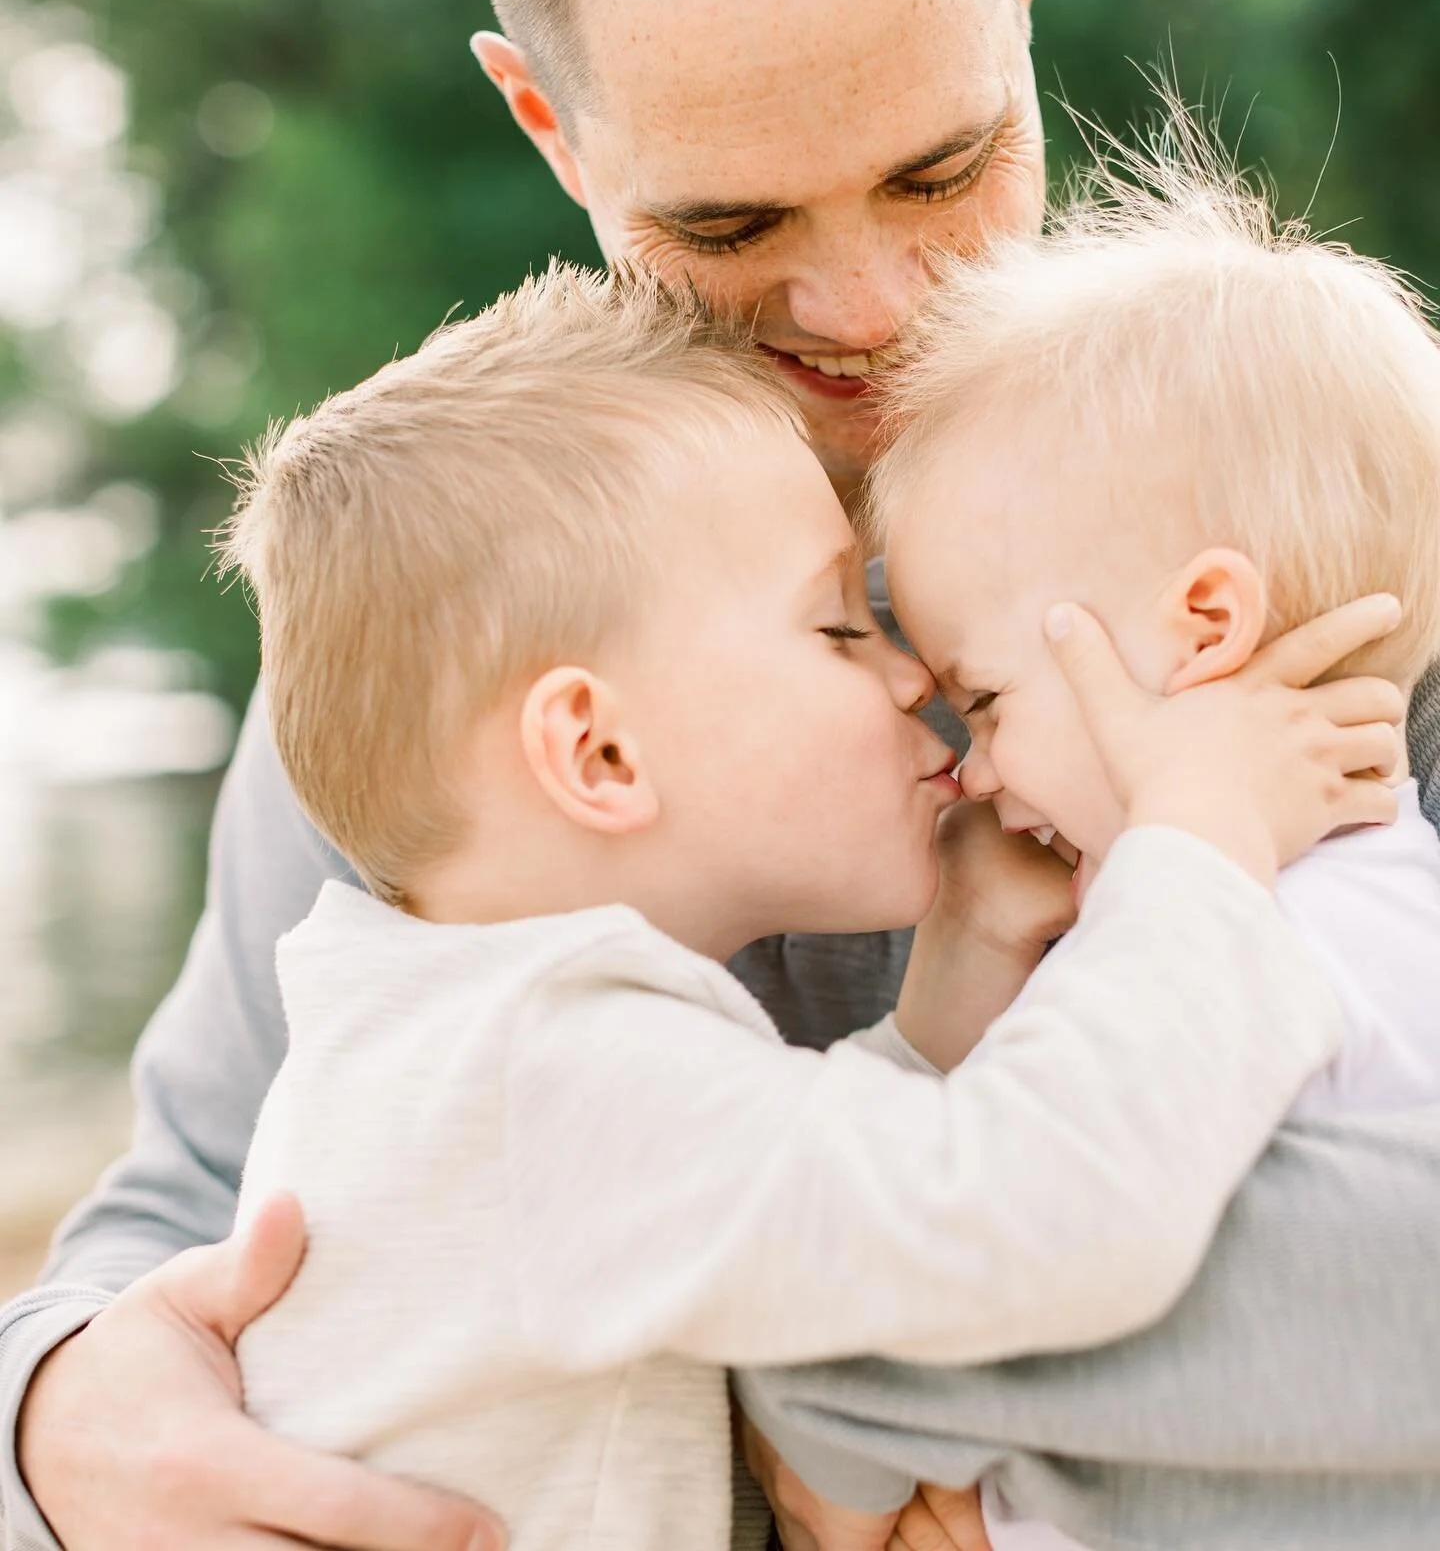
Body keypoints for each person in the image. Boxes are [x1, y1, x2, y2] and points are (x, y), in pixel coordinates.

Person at [2, 0, 1436, 1549]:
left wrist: (819, 1389)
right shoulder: (453, 637)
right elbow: (197, 1216)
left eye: (943, 167)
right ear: (549, 125)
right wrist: (58, 1413)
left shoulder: (1319, 503)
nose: (871, 305)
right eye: (729, 227)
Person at [216, 261, 1372, 1551]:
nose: (914, 677)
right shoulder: (548, 1074)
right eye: (837, 628)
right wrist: (1197, 838)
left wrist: (961, 957)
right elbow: (1035, 1227)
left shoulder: (460, 1036)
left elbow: (820, 1177)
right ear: (600, 753)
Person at [739, 139, 1440, 1549]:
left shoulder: (1245, 947)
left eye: (990, 698)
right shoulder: (1381, 906)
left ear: (1203, 628)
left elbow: (884, 1290)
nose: (975, 763)